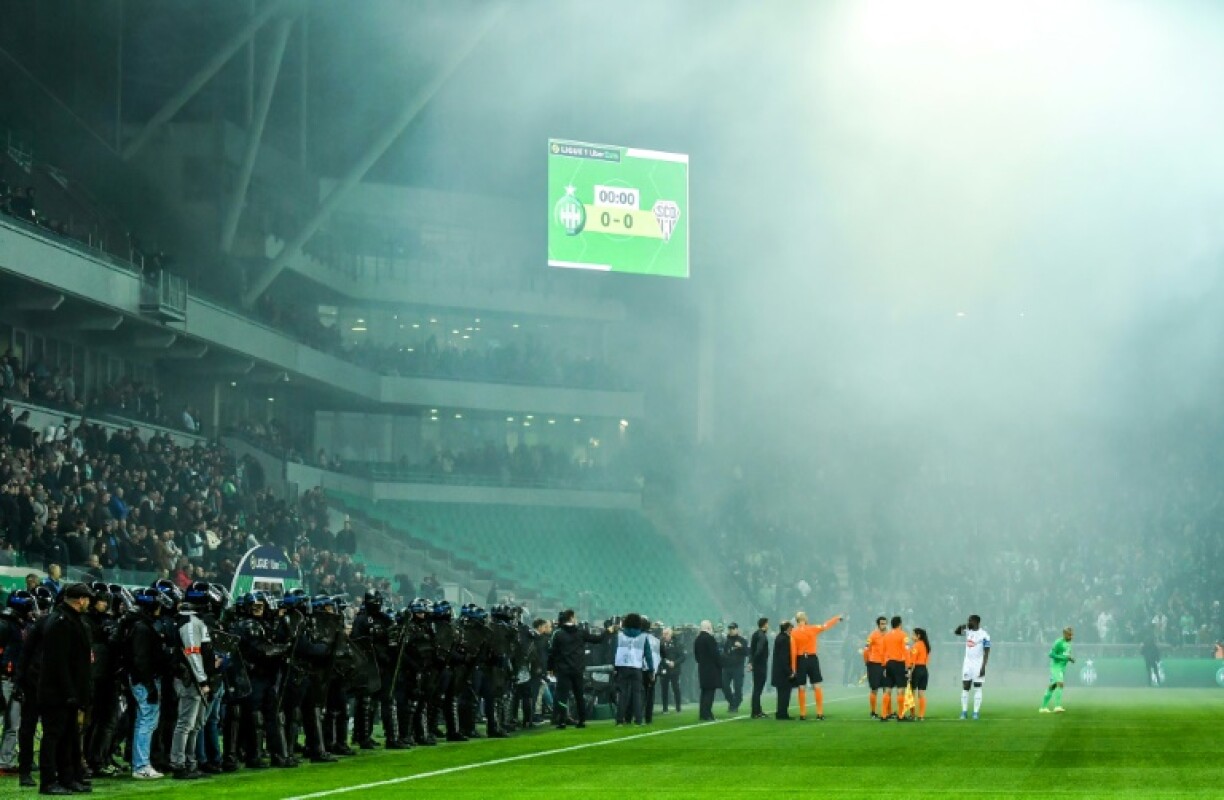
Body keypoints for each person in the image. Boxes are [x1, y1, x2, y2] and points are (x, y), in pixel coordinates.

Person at [39, 583, 94, 795]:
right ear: (80, 599)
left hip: (68, 692)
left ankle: (67, 778)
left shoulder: (70, 620)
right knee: (53, 737)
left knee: (68, 737)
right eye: (87, 599)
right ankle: (48, 781)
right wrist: (69, 692)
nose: (88, 602)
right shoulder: (61, 622)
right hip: (57, 693)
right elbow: (57, 662)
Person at [547, 609, 607, 729]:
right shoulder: (580, 632)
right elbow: (597, 640)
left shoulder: (558, 633)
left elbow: (552, 653)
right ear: (571, 618)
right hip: (577, 669)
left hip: (563, 670)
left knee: (562, 696)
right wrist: (607, 632)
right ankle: (582, 720)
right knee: (579, 695)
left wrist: (550, 668)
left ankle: (562, 721)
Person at [788, 610, 844, 720]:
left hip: (800, 660)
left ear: (796, 620)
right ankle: (819, 713)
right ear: (806, 619)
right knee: (817, 685)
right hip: (812, 658)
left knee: (801, 687)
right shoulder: (813, 628)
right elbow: (825, 626)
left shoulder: (793, 632)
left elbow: (793, 651)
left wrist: (794, 668)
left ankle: (803, 714)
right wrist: (836, 618)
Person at [612, 613, 652, 726]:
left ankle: (619, 720)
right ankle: (638, 720)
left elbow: (614, 652)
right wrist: (651, 670)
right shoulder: (643, 636)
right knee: (637, 694)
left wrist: (614, 667)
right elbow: (648, 655)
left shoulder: (619, 635)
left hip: (622, 667)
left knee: (623, 694)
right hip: (636, 667)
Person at [955, 614, 991, 720]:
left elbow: (987, 651)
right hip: (967, 664)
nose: (968, 622)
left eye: (970, 621)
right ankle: (964, 712)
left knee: (977, 686)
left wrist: (983, 667)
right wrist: (962, 626)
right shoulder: (968, 631)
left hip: (978, 664)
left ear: (976, 622)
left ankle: (975, 712)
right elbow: (956, 632)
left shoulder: (984, 635)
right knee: (965, 687)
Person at [1039, 627, 1075, 713]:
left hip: (1062, 668)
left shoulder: (1069, 643)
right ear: (1064, 634)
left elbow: (1066, 654)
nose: (1071, 637)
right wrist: (1062, 657)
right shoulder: (1058, 642)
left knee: (1052, 686)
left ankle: (1043, 708)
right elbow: (1051, 654)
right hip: (1056, 667)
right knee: (1060, 684)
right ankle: (1057, 706)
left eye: (1072, 635)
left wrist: (1070, 659)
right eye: (1069, 635)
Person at [880, 615, 909, 722]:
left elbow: (882, 652)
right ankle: (900, 716)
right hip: (899, 664)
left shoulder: (886, 636)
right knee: (900, 689)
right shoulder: (903, 635)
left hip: (888, 664)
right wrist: (908, 666)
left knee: (887, 689)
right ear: (900, 624)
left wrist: (883, 666)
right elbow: (906, 650)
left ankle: (883, 715)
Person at [693, 620, 721, 721]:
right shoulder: (710, 639)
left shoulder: (697, 639)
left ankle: (702, 713)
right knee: (710, 692)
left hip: (702, 668)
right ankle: (707, 714)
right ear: (709, 628)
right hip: (711, 669)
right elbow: (715, 654)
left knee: (704, 692)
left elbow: (696, 656)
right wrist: (720, 664)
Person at [720, 622, 748, 714]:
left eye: (733, 628)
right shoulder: (726, 641)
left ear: (737, 629)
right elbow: (723, 652)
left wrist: (741, 647)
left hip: (738, 667)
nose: (731, 630)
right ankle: (732, 701)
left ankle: (735, 704)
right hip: (727, 667)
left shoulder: (742, 640)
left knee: (737, 687)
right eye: (730, 628)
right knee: (724, 685)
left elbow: (747, 652)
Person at [658, 627, 685, 714]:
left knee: (676, 688)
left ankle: (678, 707)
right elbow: (658, 656)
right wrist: (664, 662)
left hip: (674, 669)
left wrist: (675, 663)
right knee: (664, 689)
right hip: (664, 669)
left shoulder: (677, 643)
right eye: (663, 634)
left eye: (666, 634)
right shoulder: (660, 644)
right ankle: (665, 708)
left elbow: (683, 657)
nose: (664, 636)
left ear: (671, 634)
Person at [865, 616, 887, 718]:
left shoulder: (888, 635)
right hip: (874, 664)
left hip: (886, 664)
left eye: (885, 623)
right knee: (874, 689)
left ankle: (885, 712)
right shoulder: (873, 635)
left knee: (886, 689)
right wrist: (867, 662)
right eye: (882, 623)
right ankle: (873, 712)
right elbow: (866, 649)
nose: (884, 625)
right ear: (878, 625)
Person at [907, 627, 931, 721]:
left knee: (911, 693)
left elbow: (912, 661)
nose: (911, 636)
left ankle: (912, 715)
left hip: (916, 670)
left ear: (918, 636)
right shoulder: (926, 646)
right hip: (924, 670)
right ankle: (921, 715)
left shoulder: (916, 646)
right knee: (921, 693)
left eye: (913, 634)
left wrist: (909, 673)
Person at [771, 621, 794, 719]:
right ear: (788, 628)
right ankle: (783, 714)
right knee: (785, 694)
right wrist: (789, 672)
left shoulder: (778, 637)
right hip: (783, 672)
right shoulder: (785, 639)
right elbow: (784, 657)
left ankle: (780, 713)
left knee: (780, 694)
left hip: (778, 671)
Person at [748, 617, 770, 718]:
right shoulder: (762, 636)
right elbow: (759, 650)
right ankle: (756, 711)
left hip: (756, 665)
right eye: (767, 624)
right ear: (765, 624)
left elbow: (752, 650)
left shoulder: (755, 634)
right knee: (758, 689)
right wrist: (754, 661)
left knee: (756, 688)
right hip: (760, 665)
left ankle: (757, 710)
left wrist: (751, 662)